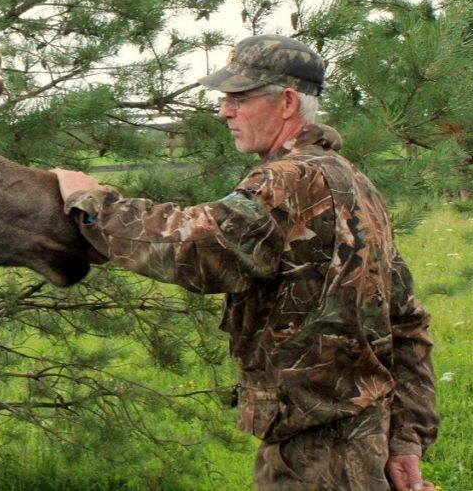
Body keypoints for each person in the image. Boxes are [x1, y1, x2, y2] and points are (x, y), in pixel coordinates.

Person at [53, 34, 439, 491]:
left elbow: (192, 248)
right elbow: (406, 322)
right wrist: (405, 441)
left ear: (288, 102)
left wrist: (91, 201)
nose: (223, 112)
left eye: (238, 97)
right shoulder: (354, 182)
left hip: (314, 459)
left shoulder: (290, 179)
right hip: (358, 444)